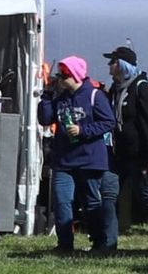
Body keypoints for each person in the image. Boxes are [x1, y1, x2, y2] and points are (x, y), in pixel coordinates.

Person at [37, 55, 119, 255]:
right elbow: (45, 119)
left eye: (64, 75)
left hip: (89, 158)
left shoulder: (94, 96)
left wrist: (83, 130)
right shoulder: (61, 97)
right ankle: (65, 244)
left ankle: (99, 242)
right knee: (61, 200)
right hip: (64, 159)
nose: (61, 79)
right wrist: (47, 95)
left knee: (91, 202)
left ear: (75, 76)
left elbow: (109, 121)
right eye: (59, 75)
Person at [106, 46, 148, 250]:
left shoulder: (142, 88)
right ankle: (107, 242)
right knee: (109, 194)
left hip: (140, 155)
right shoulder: (115, 89)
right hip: (120, 154)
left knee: (146, 194)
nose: (109, 65)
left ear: (122, 65)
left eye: (113, 61)